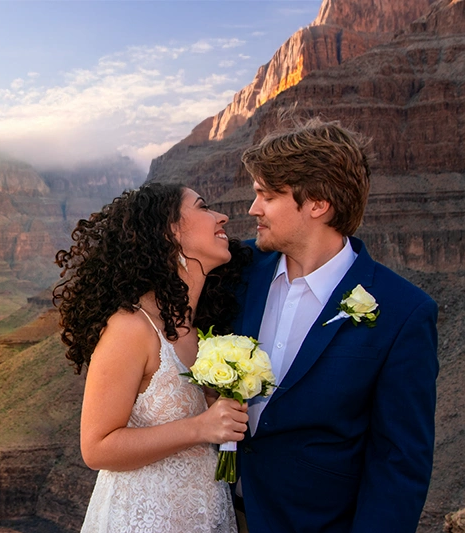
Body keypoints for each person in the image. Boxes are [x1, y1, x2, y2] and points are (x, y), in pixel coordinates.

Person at [233, 118, 438, 533]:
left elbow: (399, 463)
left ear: (318, 203)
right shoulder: (237, 272)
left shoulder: (404, 312)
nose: (253, 209)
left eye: (267, 196)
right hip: (216, 515)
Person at [54, 182, 250, 533]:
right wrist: (200, 427)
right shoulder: (131, 328)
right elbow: (96, 448)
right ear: (168, 232)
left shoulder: (203, 327)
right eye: (204, 207)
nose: (222, 217)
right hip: (143, 520)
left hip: (206, 515)